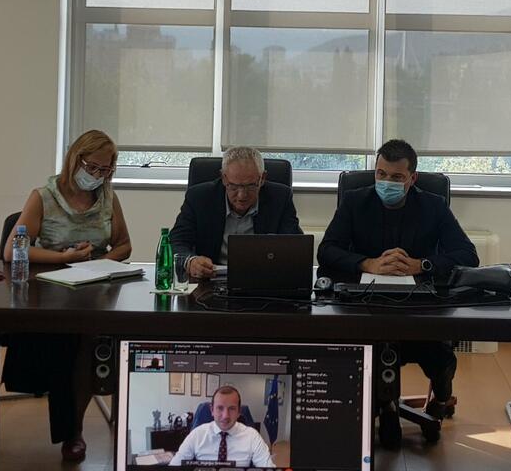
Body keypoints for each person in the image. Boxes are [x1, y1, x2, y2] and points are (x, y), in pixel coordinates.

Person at [316, 139, 478, 442]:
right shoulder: (354, 201)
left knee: (440, 356)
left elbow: (468, 255)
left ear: (412, 178)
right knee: (358, 346)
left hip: (419, 307)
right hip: (366, 304)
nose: (386, 182)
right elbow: (326, 251)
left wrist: (421, 264)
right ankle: (384, 403)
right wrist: (367, 263)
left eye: (396, 177)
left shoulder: (433, 205)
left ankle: (441, 397)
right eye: (380, 174)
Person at [1, 129, 133, 463]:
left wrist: (101, 262)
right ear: (76, 159)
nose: (98, 175)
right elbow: (12, 250)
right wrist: (64, 258)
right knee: (67, 341)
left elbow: (124, 245)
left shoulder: (108, 198)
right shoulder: (44, 196)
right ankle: (71, 428)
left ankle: (74, 429)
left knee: (91, 341)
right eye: (93, 168)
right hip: (51, 290)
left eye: (106, 169)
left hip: (95, 289)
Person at [170, 146, 301, 280]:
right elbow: (176, 241)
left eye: (251, 186)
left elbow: (296, 245)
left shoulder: (280, 198)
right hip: (210, 279)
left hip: (263, 278)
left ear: (262, 178)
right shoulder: (199, 197)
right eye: (233, 186)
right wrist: (190, 261)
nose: (241, 196)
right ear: (224, 178)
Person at [170, 386, 274, 467]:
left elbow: (268, 467)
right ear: (212, 410)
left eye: (232, 409)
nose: (225, 416)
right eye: (220, 408)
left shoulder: (252, 436)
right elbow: (175, 465)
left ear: (239, 412)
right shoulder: (197, 434)